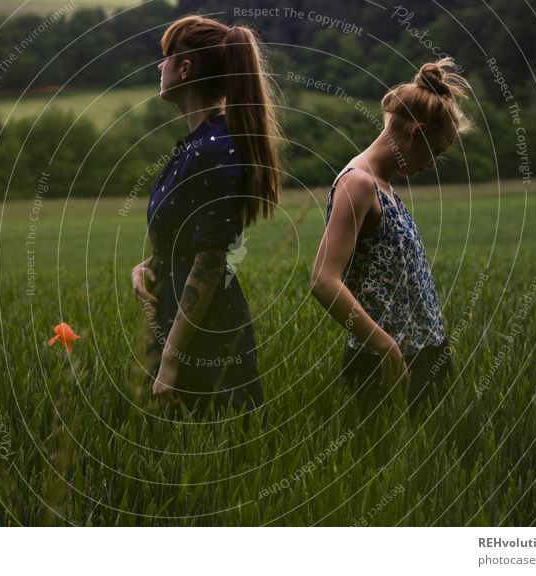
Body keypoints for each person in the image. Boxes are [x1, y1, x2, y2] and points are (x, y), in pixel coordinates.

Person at [131, 15, 281, 414]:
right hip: (180, 327)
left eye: (166, 57)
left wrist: (170, 359)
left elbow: (211, 260)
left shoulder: (214, 149)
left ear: (185, 68)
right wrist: (150, 264)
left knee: (213, 460)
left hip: (207, 338)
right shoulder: (196, 147)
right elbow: (189, 235)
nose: (159, 66)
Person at [310, 58, 472, 418]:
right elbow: (323, 280)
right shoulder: (359, 183)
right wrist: (386, 348)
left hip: (422, 355)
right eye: (436, 152)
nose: (431, 164)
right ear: (415, 132)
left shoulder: (384, 187)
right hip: (384, 366)